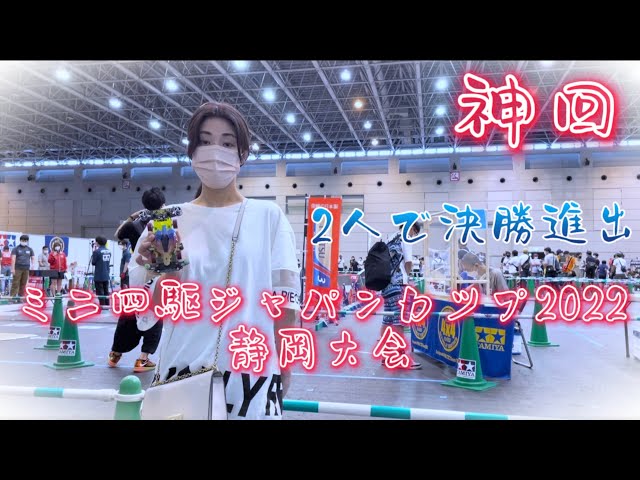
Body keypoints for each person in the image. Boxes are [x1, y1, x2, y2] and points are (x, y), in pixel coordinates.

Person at [130, 101, 300, 419]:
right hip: (180, 373)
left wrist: (285, 369)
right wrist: (163, 271)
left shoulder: (268, 217)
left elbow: (285, 305)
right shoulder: (168, 222)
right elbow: (150, 314)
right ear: (192, 152)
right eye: (205, 141)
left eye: (227, 143)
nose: (215, 152)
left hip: (250, 377)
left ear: (243, 154)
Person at [108, 205, 163, 373]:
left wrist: (132, 217)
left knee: (130, 313)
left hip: (135, 275)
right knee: (154, 315)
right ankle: (143, 359)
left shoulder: (135, 224)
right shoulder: (163, 224)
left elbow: (118, 234)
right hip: (153, 274)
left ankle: (115, 354)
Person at [378, 223, 423, 370]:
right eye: (415, 232)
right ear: (411, 228)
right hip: (398, 285)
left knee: (387, 320)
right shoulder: (406, 238)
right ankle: (401, 358)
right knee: (399, 322)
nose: (414, 235)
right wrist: (407, 276)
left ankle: (386, 356)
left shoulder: (391, 238)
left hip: (386, 285)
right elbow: (408, 262)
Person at [10, 235, 35, 302]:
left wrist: (33, 265)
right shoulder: (16, 249)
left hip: (26, 269)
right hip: (17, 268)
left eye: (25, 241)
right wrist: (12, 268)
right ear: (20, 240)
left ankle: (21, 297)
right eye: (23, 240)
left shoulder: (30, 249)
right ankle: (12, 298)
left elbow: (33, 258)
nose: (24, 242)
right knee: (15, 283)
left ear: (27, 241)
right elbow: (13, 259)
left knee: (23, 283)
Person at [91, 236, 112, 308]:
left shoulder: (96, 252)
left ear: (97, 242)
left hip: (99, 275)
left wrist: (94, 252)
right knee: (106, 291)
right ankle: (107, 305)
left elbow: (93, 262)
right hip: (106, 274)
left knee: (100, 292)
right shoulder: (109, 251)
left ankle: (102, 306)